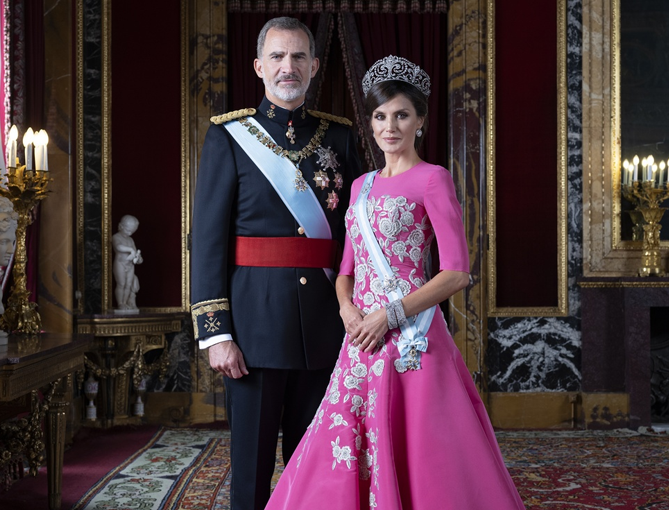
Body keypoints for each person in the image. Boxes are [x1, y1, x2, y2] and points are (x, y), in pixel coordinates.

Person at [265, 56, 526, 509]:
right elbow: (345, 271)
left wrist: (390, 315)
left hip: (411, 337)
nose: (390, 126)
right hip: (362, 337)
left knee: (424, 450)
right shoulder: (361, 186)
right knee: (340, 440)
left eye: (402, 115)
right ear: (370, 122)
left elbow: (457, 272)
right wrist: (349, 312)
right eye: (381, 116)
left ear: (419, 121)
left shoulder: (433, 179)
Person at [190, 17, 360, 510]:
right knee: (252, 467)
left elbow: (357, 235)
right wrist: (217, 333)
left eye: (300, 57)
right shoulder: (229, 136)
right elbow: (208, 241)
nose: (290, 67)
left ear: (314, 67)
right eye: (279, 57)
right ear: (260, 66)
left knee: (323, 462)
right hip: (253, 328)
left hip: (327, 325)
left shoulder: (341, 139)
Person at [112, 214, 142, 312]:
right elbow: (118, 247)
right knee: (121, 283)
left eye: (132, 231)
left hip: (130, 265)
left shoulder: (130, 239)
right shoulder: (116, 237)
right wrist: (130, 250)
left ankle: (125, 303)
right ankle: (120, 303)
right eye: (128, 230)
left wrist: (138, 258)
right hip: (120, 264)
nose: (130, 233)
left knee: (128, 284)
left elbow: (135, 250)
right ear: (121, 226)